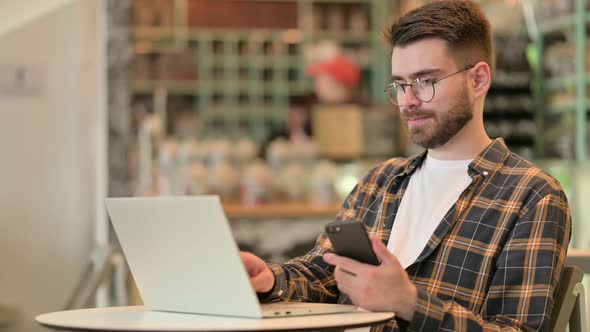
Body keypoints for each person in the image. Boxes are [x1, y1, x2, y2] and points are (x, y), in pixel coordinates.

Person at [241, 1, 572, 330]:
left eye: (425, 82)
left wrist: (408, 303)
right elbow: (323, 272)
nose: (408, 100)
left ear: (478, 80)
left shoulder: (531, 196)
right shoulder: (381, 181)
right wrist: (269, 278)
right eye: (400, 85)